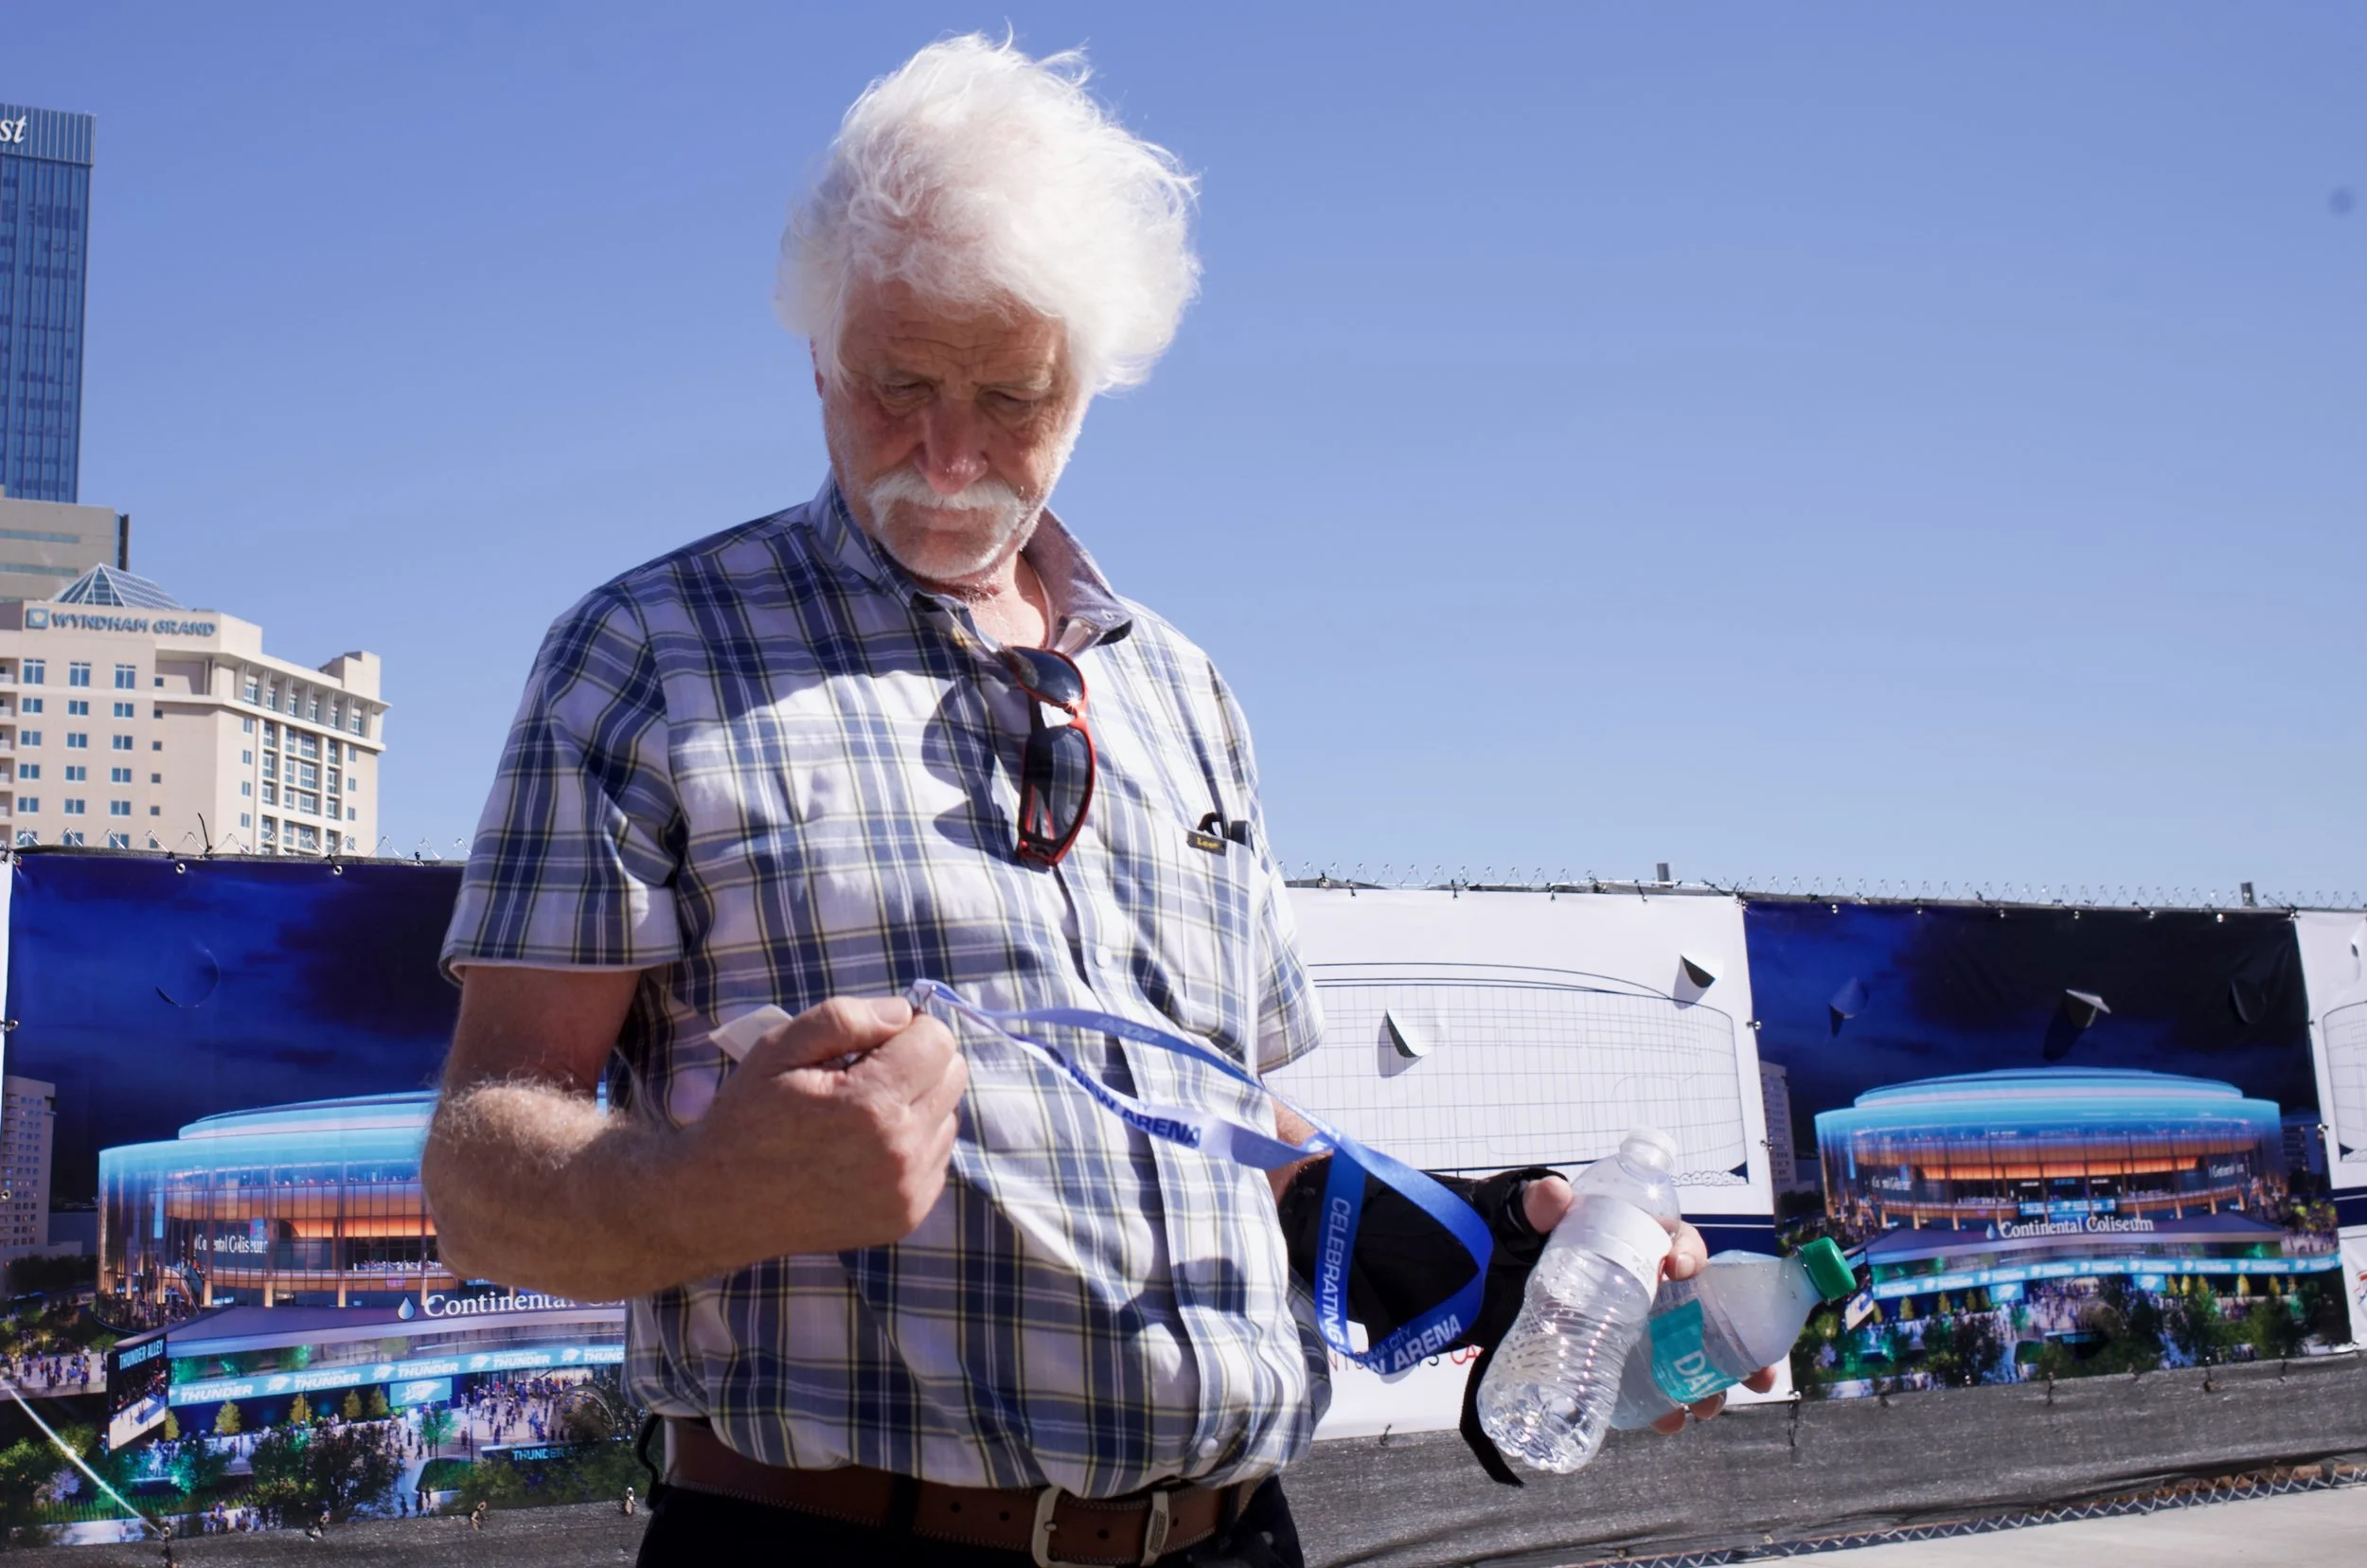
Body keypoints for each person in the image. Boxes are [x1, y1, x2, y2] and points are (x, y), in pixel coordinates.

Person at [423, 35, 1767, 1568]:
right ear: (813, 349)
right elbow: (478, 1172)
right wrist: (710, 1188)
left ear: (1101, 373)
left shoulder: (1184, 694)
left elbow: (1226, 1134)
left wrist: (1491, 1251)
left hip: (1236, 1537)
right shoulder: (651, 654)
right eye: (897, 385)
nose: (949, 452)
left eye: (1015, 396)